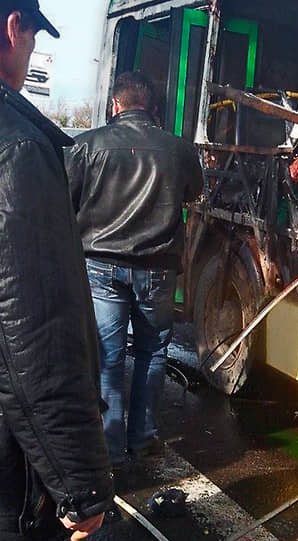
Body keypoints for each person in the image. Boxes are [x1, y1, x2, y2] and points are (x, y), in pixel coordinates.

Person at [0, 2, 114, 541]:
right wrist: (79, 482)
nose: (30, 53)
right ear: (13, 27)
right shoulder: (17, 150)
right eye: (31, 38)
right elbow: (33, 330)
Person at [65, 72, 202, 467]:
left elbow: (67, 198)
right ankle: (142, 438)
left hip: (102, 266)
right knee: (151, 355)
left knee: (107, 358)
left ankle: (109, 446)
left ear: (115, 105)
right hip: (158, 267)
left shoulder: (87, 145)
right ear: (153, 109)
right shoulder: (179, 150)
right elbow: (193, 193)